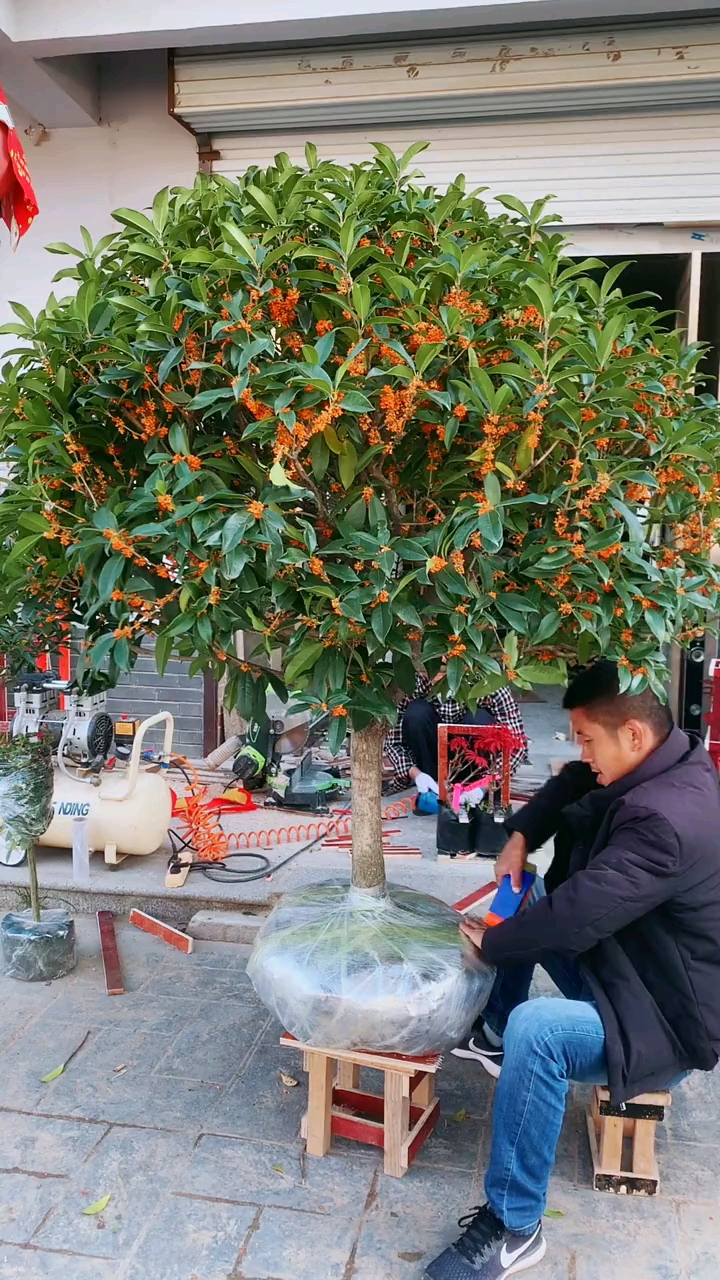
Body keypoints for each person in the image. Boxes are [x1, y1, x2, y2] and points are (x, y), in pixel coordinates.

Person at [425, 660, 720, 1280]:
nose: (579, 751)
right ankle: (494, 1032)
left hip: (663, 1015)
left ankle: (514, 1226)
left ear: (633, 735)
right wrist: (518, 837)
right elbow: (572, 784)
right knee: (526, 898)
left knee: (543, 1027)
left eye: (587, 738)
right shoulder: (666, 758)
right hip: (627, 967)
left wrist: (492, 946)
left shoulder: (666, 819)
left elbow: (578, 918)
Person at [385, 670, 528, 797]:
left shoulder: (490, 683)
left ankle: (473, 790)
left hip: (476, 769)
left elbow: (517, 745)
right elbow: (393, 742)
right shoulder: (414, 683)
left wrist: (484, 786)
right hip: (432, 764)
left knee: (478, 718)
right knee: (417, 713)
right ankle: (432, 788)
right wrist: (417, 775)